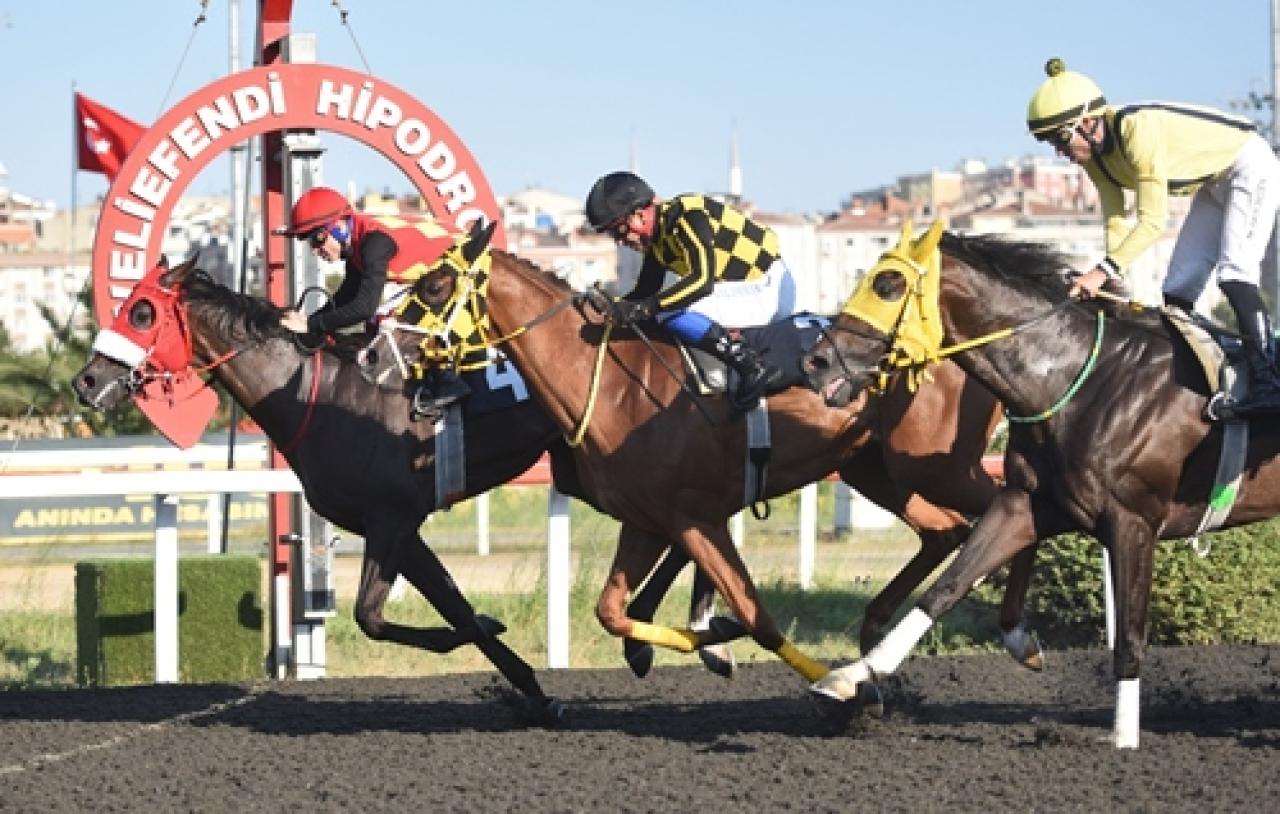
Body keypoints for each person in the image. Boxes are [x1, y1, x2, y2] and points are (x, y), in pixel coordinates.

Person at [1027, 57, 1280, 418]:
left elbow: (1152, 222)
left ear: (1086, 123)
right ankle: (1217, 377)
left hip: (1249, 166)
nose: (1059, 151)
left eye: (1060, 138)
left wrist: (1102, 271)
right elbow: (1116, 219)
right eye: (1049, 142)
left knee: (1235, 273)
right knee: (1177, 293)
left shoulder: (1135, 130)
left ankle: (1268, 384)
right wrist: (1113, 277)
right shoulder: (1095, 159)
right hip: (1212, 184)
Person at [585, 170, 795, 411]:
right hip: (745, 289)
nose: (620, 241)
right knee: (661, 310)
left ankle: (751, 366)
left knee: (668, 312)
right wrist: (609, 309)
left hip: (769, 288)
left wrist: (645, 308)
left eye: (619, 231)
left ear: (640, 214)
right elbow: (644, 290)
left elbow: (701, 281)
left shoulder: (689, 216)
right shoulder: (660, 238)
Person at [276, 186, 471, 419]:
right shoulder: (358, 240)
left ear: (338, 226)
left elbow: (363, 307)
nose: (316, 250)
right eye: (310, 243)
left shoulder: (373, 244)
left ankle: (446, 382)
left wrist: (312, 326)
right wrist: (310, 320)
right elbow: (347, 294)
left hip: (467, 267)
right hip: (444, 271)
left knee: (387, 320)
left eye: (318, 239)